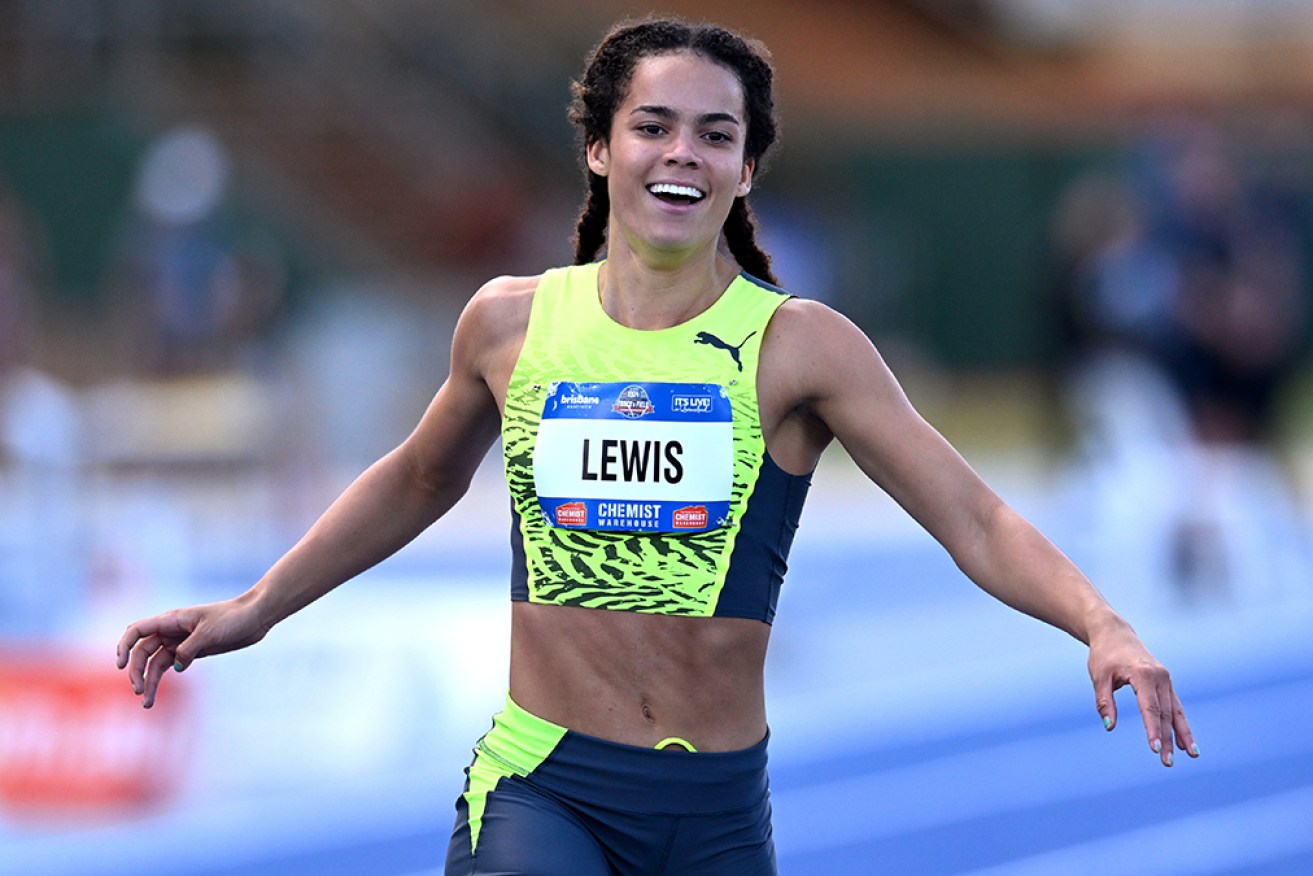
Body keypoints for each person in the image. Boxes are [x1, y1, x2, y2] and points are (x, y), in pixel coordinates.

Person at [116, 17, 1199, 875]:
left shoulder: (796, 348)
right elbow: (415, 476)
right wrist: (254, 608)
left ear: (746, 169)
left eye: (714, 134)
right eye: (652, 125)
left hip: (716, 815)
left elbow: (974, 514)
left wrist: (1098, 625)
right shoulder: (509, 323)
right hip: (542, 785)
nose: (681, 152)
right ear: (598, 147)